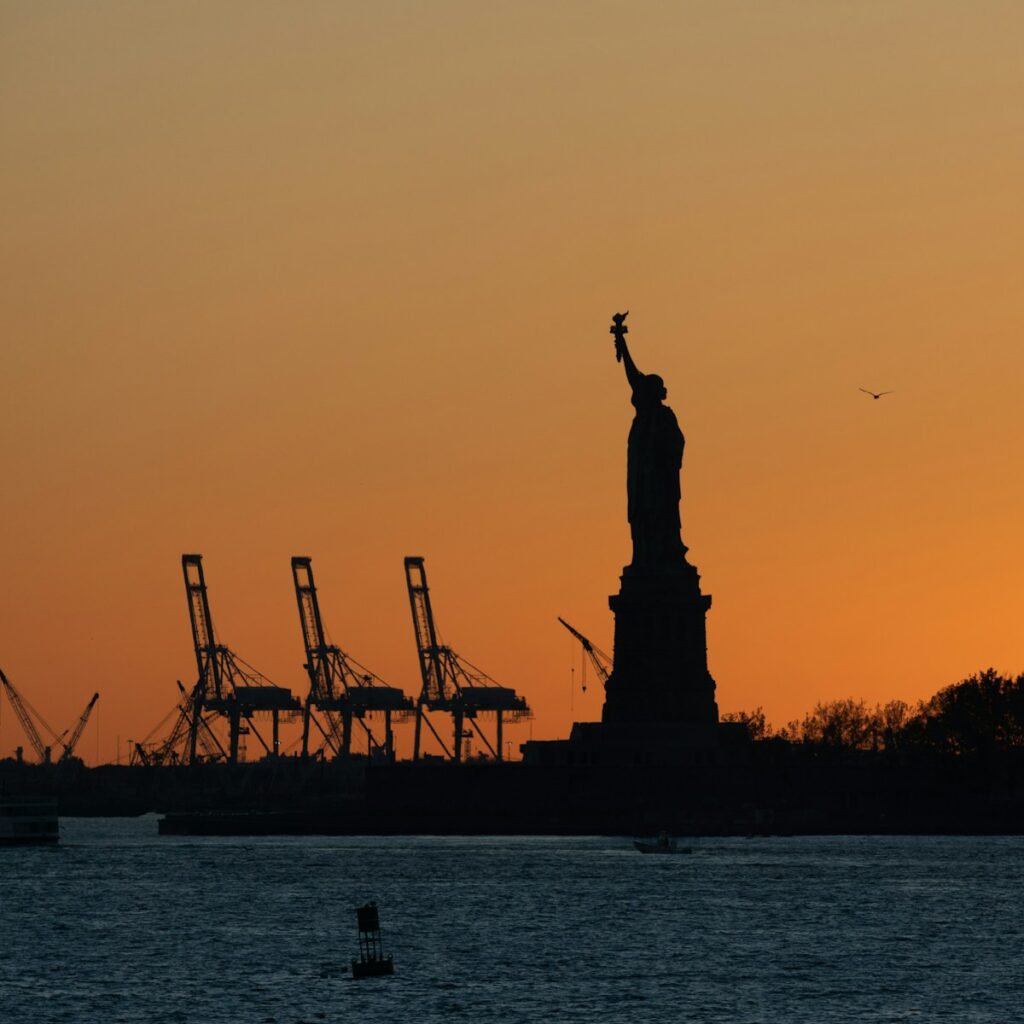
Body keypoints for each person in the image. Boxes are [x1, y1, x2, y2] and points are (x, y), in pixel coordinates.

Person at [612, 313, 688, 570]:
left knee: (660, 516)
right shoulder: (643, 418)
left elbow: (677, 445)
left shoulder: (665, 417)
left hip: (660, 482)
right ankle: (643, 557)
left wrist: (665, 453)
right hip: (641, 481)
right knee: (642, 517)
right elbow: (632, 374)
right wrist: (621, 341)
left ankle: (665, 554)